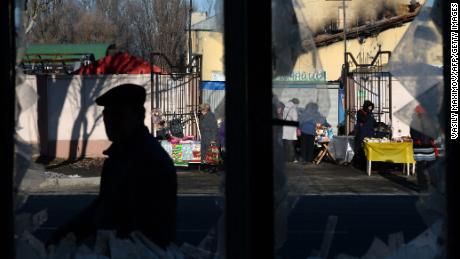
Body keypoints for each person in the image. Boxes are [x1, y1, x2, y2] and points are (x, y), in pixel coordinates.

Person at [47, 84, 177, 249]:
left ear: (139, 116)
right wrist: (64, 235)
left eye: (118, 114)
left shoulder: (144, 158)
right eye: (106, 114)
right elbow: (104, 206)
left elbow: (122, 215)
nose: (109, 120)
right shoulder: (123, 153)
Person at [410, 105, 438, 192]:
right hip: (427, 146)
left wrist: (418, 140)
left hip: (420, 146)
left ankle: (423, 186)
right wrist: (431, 139)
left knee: (421, 167)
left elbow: (413, 134)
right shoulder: (430, 121)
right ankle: (433, 185)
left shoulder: (414, 122)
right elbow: (435, 133)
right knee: (430, 166)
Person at [352, 100, 377, 169]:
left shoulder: (371, 114)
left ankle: (368, 164)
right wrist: (369, 114)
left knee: (368, 150)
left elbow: (374, 123)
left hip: (370, 134)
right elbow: (363, 120)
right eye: (369, 107)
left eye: (371, 107)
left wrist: (380, 124)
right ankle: (358, 164)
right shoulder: (360, 112)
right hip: (361, 134)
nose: (370, 109)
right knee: (360, 149)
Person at [199, 103, 218, 172]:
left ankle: (212, 168)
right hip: (204, 137)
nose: (201, 111)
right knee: (204, 152)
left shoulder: (211, 116)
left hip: (210, 137)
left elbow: (214, 128)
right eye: (201, 110)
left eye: (202, 109)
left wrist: (213, 139)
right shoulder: (202, 116)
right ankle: (205, 166)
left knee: (211, 152)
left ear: (206, 109)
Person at [282, 98, 300, 162]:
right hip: (290, 130)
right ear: (296, 103)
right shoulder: (293, 109)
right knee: (291, 145)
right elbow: (295, 120)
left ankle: (285, 158)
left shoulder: (285, 108)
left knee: (286, 145)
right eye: (297, 104)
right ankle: (290, 159)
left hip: (284, 129)